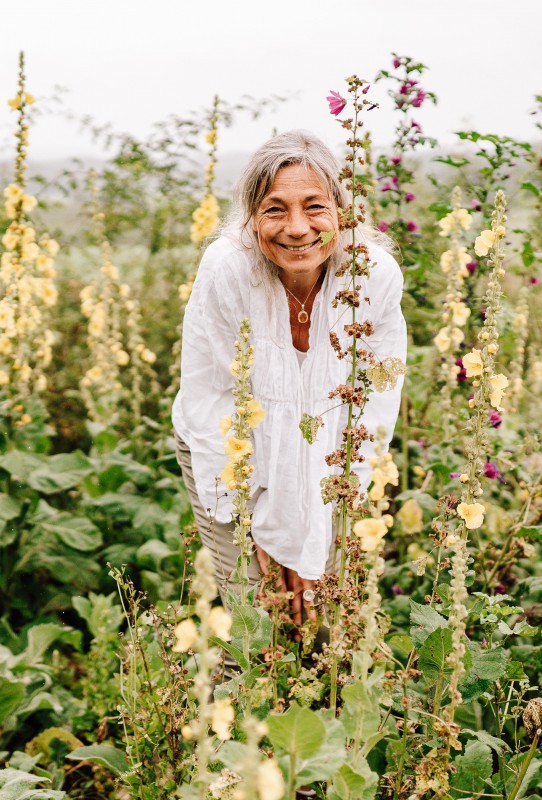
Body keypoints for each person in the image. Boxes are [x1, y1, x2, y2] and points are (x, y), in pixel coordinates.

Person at [172, 129, 407, 624]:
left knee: (323, 623)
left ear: (342, 211)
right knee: (258, 625)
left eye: (315, 207)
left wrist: (313, 535)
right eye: (275, 209)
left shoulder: (374, 277)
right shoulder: (228, 271)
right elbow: (216, 404)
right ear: (251, 217)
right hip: (228, 454)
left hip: (334, 461)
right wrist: (268, 533)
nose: (297, 228)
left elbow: (373, 412)